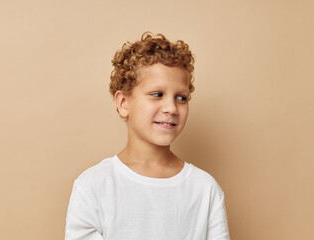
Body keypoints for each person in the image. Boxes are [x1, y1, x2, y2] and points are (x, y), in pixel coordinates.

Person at [65, 32, 230, 240]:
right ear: (123, 103)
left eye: (181, 97)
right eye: (157, 94)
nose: (171, 107)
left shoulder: (205, 189)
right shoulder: (93, 186)